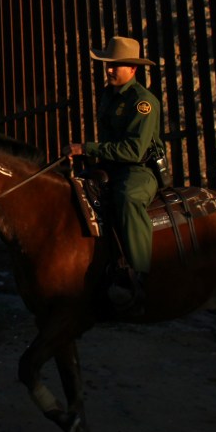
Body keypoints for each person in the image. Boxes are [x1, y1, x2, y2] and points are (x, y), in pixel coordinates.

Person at [67, 36, 162, 313]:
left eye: (116, 65)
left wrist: (87, 147)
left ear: (133, 69)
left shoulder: (143, 102)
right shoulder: (109, 94)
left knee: (128, 198)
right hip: (111, 165)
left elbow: (133, 150)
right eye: (108, 64)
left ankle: (140, 277)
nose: (109, 70)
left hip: (138, 169)